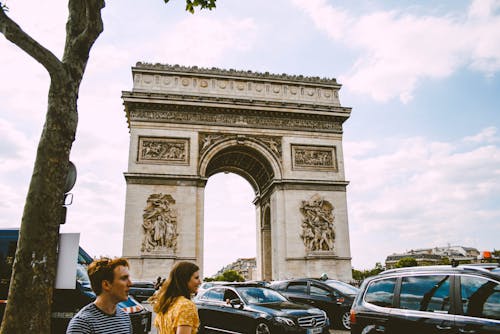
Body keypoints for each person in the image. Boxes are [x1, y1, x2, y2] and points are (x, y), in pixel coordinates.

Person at [66, 257, 132, 334]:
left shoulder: (125, 318)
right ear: (106, 285)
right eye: (124, 278)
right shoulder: (82, 324)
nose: (130, 283)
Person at [151, 261, 201, 334]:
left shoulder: (166, 302)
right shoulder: (186, 306)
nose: (200, 282)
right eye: (196, 278)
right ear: (184, 280)